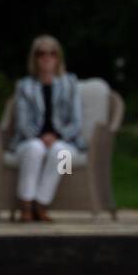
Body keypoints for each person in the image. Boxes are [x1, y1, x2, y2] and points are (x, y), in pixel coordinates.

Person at [10, 34, 85, 222]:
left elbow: (77, 122)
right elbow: (22, 122)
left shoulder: (70, 83)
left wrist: (58, 136)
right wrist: (41, 138)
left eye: (52, 53)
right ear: (34, 58)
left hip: (65, 142)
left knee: (61, 154)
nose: (47, 57)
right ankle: (26, 205)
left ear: (58, 57)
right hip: (30, 140)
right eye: (41, 53)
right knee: (36, 149)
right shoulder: (24, 86)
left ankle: (42, 203)